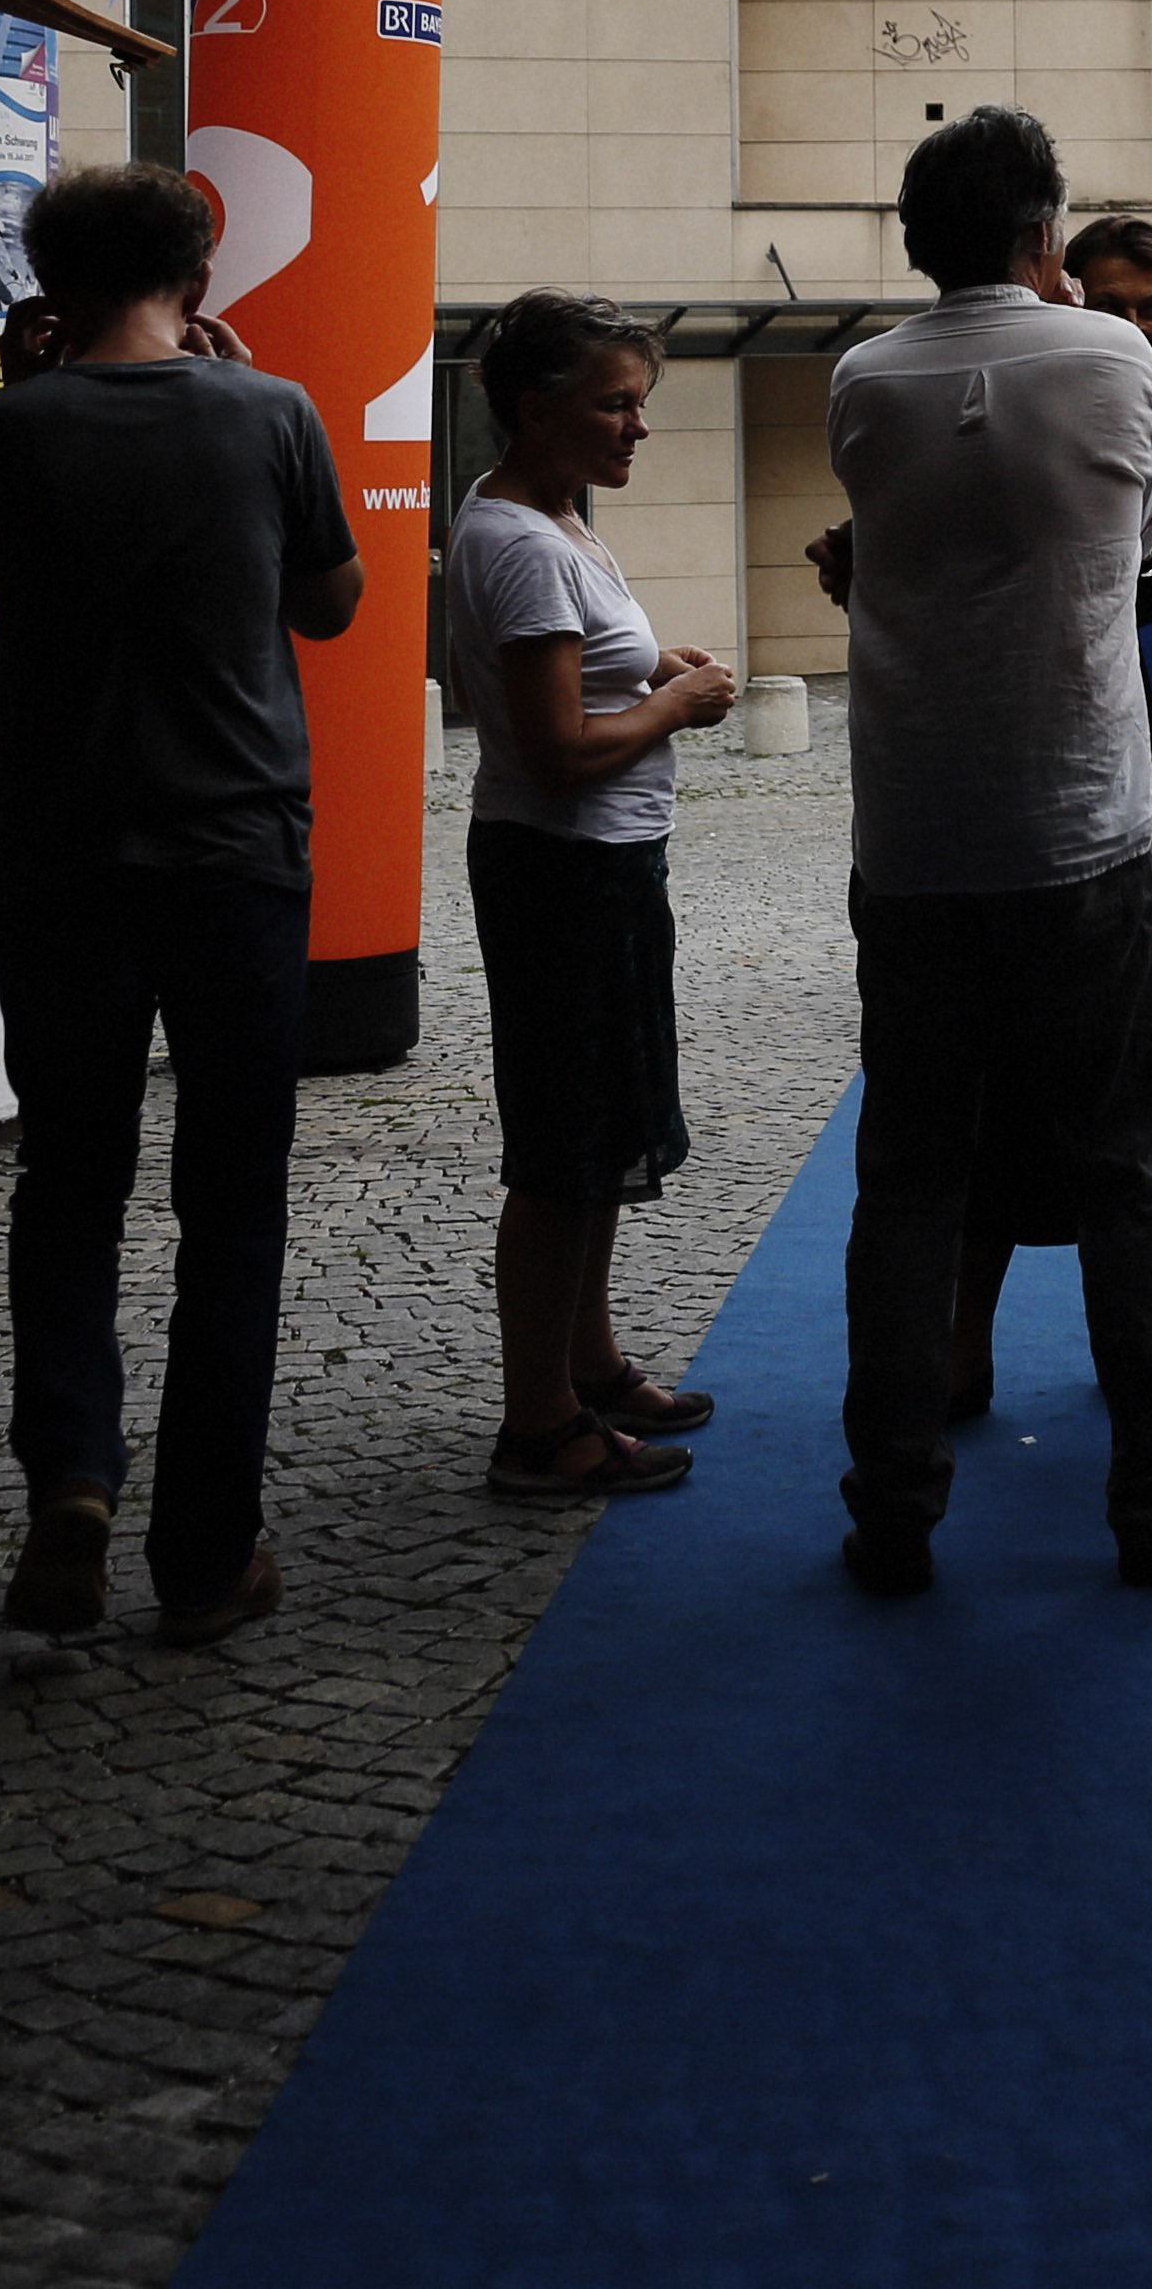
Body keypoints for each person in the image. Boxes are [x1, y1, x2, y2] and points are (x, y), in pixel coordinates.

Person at [0, 162, 365, 1652]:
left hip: (59, 854)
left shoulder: (2, 428)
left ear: (48, 288)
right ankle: (206, 1554)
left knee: (71, 1182)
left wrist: (18, 411)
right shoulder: (272, 412)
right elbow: (333, 606)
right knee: (232, 1201)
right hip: (236, 851)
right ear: (200, 279)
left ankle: (74, 1482)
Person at [818, 109, 1152, 1595]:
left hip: (914, 834)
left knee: (910, 1179)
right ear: (1046, 234)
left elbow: (890, 546)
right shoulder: (1112, 358)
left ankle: (892, 1509)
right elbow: (1137, 544)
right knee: (1129, 1170)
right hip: (1080, 824)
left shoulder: (862, 377)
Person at [936, 216, 1152, 1414]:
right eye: (1110, 301)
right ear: (1059, 293)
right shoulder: (1019, 407)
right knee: (1008, 1052)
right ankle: (962, 1338)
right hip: (1035, 746)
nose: (1133, 325)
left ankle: (1141, 1343)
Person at [450, 291, 740, 1498]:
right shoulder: (520, 540)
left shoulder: (551, 515)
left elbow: (576, 671)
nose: (638, 426)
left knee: (600, 1135)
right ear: (537, 408)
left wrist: (651, 665)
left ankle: (588, 1362)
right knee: (564, 1149)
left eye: (642, 402)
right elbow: (558, 749)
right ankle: (538, 1424)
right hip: (562, 871)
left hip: (597, 865)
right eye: (616, 404)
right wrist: (673, 704)